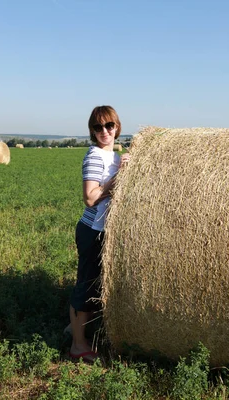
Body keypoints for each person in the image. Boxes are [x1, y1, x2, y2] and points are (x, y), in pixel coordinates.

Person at [68, 105, 130, 363]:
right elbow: (90, 198)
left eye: (109, 126)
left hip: (104, 231)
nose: (104, 131)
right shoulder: (95, 156)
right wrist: (118, 178)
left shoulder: (114, 157)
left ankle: (74, 328)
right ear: (92, 131)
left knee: (93, 282)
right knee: (87, 284)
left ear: (117, 127)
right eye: (98, 127)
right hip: (92, 230)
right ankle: (78, 346)